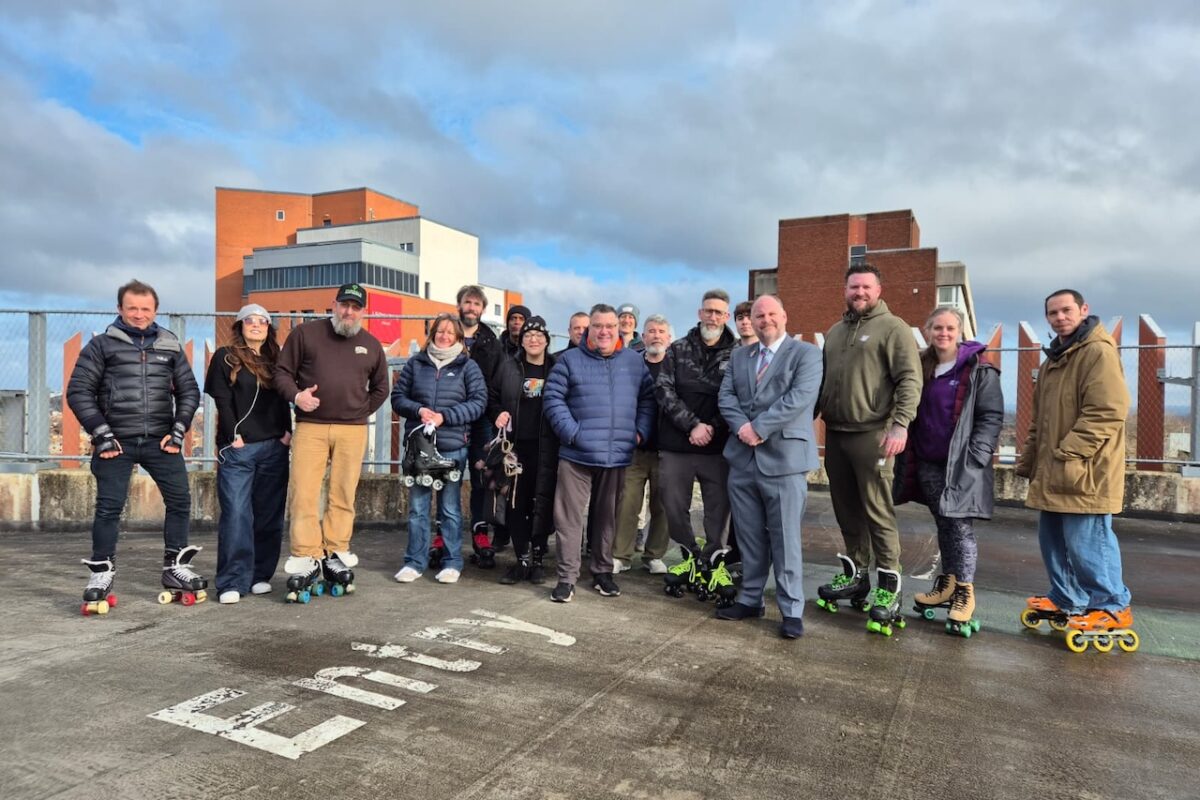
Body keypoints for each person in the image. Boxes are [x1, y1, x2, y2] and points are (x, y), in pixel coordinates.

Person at [68, 279, 203, 614]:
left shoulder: (169, 345)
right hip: (115, 442)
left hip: (161, 441)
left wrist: (178, 430)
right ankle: (101, 572)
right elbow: (79, 392)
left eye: (146, 309)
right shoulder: (101, 346)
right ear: (120, 310)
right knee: (108, 508)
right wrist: (101, 434)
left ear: (155, 311)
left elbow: (189, 391)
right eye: (132, 308)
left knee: (180, 502)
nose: (139, 314)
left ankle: (175, 567)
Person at [1016, 289, 1134, 648]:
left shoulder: (1097, 351)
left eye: (1066, 310)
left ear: (1084, 310)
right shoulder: (1054, 360)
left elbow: (1109, 409)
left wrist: (1069, 452)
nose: (1059, 317)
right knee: (1052, 541)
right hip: (1054, 470)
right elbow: (1040, 419)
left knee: (1088, 543)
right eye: (1052, 313)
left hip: (1086, 472)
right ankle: (1067, 598)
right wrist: (1030, 459)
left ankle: (1112, 606)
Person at [815, 263, 922, 634]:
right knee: (846, 510)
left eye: (866, 287)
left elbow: (910, 378)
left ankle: (889, 587)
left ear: (879, 290)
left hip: (873, 434)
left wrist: (900, 424)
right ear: (845, 290)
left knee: (877, 510)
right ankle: (856, 574)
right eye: (853, 287)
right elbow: (823, 383)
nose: (859, 293)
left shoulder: (894, 328)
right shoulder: (834, 332)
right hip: (837, 433)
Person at [715, 295, 822, 638]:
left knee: (785, 539)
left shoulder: (806, 354)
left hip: (784, 460)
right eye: (758, 316)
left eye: (771, 314)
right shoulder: (739, 355)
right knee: (748, 537)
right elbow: (726, 397)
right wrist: (743, 429)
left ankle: (791, 610)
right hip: (743, 460)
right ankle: (750, 598)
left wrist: (758, 428)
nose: (764, 320)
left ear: (784, 316)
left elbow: (800, 398)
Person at [274, 283, 389, 598]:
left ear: (363, 311)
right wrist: (297, 396)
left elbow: (382, 387)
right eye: (344, 305)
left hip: (352, 430)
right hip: (311, 426)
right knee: (304, 492)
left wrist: (359, 409)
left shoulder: (371, 344)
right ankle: (307, 554)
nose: (348, 312)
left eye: (355, 307)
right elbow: (282, 373)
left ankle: (335, 550)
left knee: (342, 493)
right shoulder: (306, 335)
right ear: (333, 305)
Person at [892, 307, 1003, 635]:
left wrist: (977, 455)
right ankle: (948, 584)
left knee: (960, 527)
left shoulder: (978, 368)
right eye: (937, 327)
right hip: (926, 460)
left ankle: (965, 592)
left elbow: (990, 416)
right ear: (927, 331)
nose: (943, 333)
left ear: (960, 331)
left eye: (950, 328)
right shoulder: (921, 365)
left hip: (961, 464)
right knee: (944, 523)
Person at [543, 304, 655, 602]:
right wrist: (573, 433)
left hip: (617, 455)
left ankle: (603, 571)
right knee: (568, 518)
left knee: (608, 517)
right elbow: (553, 399)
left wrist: (639, 432)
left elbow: (648, 399)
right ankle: (567, 578)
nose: (603, 331)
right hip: (576, 455)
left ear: (619, 328)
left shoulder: (634, 362)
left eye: (609, 326)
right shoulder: (569, 360)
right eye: (597, 326)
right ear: (588, 329)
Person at [205, 304, 293, 604]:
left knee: (269, 515)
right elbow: (222, 399)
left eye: (263, 321)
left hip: (274, 447)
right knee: (237, 515)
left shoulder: (276, 358)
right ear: (240, 325)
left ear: (269, 327)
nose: (256, 325)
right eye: (250, 321)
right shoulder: (225, 357)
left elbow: (284, 397)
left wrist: (286, 432)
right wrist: (233, 436)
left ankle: (259, 575)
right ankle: (232, 580)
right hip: (239, 449)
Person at [392, 314, 487, 584]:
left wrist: (446, 416)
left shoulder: (468, 367)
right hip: (420, 447)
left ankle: (452, 561)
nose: (444, 336)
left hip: (452, 447)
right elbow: (397, 397)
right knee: (418, 508)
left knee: (450, 509)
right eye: (440, 331)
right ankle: (414, 561)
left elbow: (478, 403)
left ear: (458, 338)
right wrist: (419, 410)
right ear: (432, 334)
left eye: (450, 332)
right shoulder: (415, 364)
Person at [656, 290, 738, 592]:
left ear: (726, 317)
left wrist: (710, 428)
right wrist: (692, 425)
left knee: (719, 510)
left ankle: (714, 560)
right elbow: (664, 390)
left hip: (718, 448)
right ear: (699, 313)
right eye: (708, 311)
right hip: (677, 445)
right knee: (673, 505)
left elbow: (736, 397)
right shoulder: (677, 349)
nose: (713, 317)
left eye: (719, 312)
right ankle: (690, 554)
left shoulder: (738, 353)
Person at [489, 316, 559, 585]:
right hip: (516, 446)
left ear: (546, 340)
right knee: (516, 503)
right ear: (522, 339)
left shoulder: (556, 368)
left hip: (547, 447)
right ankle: (522, 559)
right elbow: (492, 397)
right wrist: (497, 413)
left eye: (539, 335)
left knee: (542, 502)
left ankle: (539, 557)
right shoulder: (509, 367)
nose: (534, 339)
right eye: (529, 334)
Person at [613, 314, 672, 574]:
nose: (656, 335)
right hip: (634, 448)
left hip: (667, 450)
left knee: (664, 504)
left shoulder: (677, 367)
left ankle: (654, 555)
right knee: (627, 504)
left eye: (661, 331)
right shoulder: (632, 365)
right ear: (643, 336)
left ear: (668, 338)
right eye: (651, 331)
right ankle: (621, 555)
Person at [454, 285, 506, 565]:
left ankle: (480, 533)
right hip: (449, 420)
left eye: (476, 303)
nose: (471, 307)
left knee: (481, 479)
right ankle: (442, 534)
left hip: (482, 420)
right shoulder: (447, 333)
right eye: (467, 302)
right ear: (459, 305)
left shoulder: (491, 342)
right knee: (447, 477)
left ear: (482, 309)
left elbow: (496, 383)